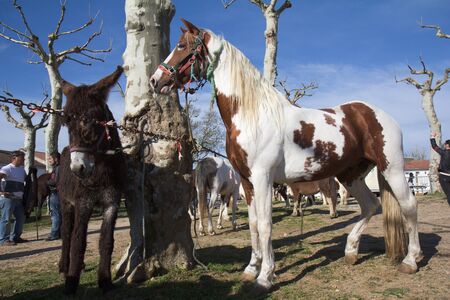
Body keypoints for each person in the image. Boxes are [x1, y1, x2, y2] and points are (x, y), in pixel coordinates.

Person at [0, 150, 27, 246]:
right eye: (22, 157)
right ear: (14, 157)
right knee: (6, 219)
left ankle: (16, 237)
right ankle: (3, 239)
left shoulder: (22, 170)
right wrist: (1, 192)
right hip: (8, 199)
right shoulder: (6, 169)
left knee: (20, 218)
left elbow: (26, 182)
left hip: (18, 199)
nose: (24, 159)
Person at [430, 133, 450, 206]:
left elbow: (434, 146)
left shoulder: (444, 153)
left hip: (444, 176)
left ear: (447, 145)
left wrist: (432, 137)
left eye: (445, 144)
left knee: (448, 194)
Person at [46, 152, 61, 241]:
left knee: (55, 215)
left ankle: (54, 234)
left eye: (50, 159)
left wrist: (46, 181)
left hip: (55, 194)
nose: (49, 161)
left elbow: (55, 181)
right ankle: (59, 233)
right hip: (58, 193)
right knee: (59, 214)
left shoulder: (58, 168)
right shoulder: (59, 168)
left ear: (56, 159)